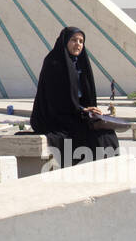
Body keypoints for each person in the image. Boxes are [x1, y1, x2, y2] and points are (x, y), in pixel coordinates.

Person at [30, 26, 119, 168]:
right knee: (92, 136)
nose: (78, 44)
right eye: (73, 40)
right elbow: (56, 100)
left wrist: (90, 111)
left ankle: (106, 170)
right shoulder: (54, 63)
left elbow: (84, 96)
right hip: (55, 116)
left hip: (75, 113)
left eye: (81, 41)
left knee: (107, 133)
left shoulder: (80, 64)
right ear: (65, 41)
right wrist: (82, 110)